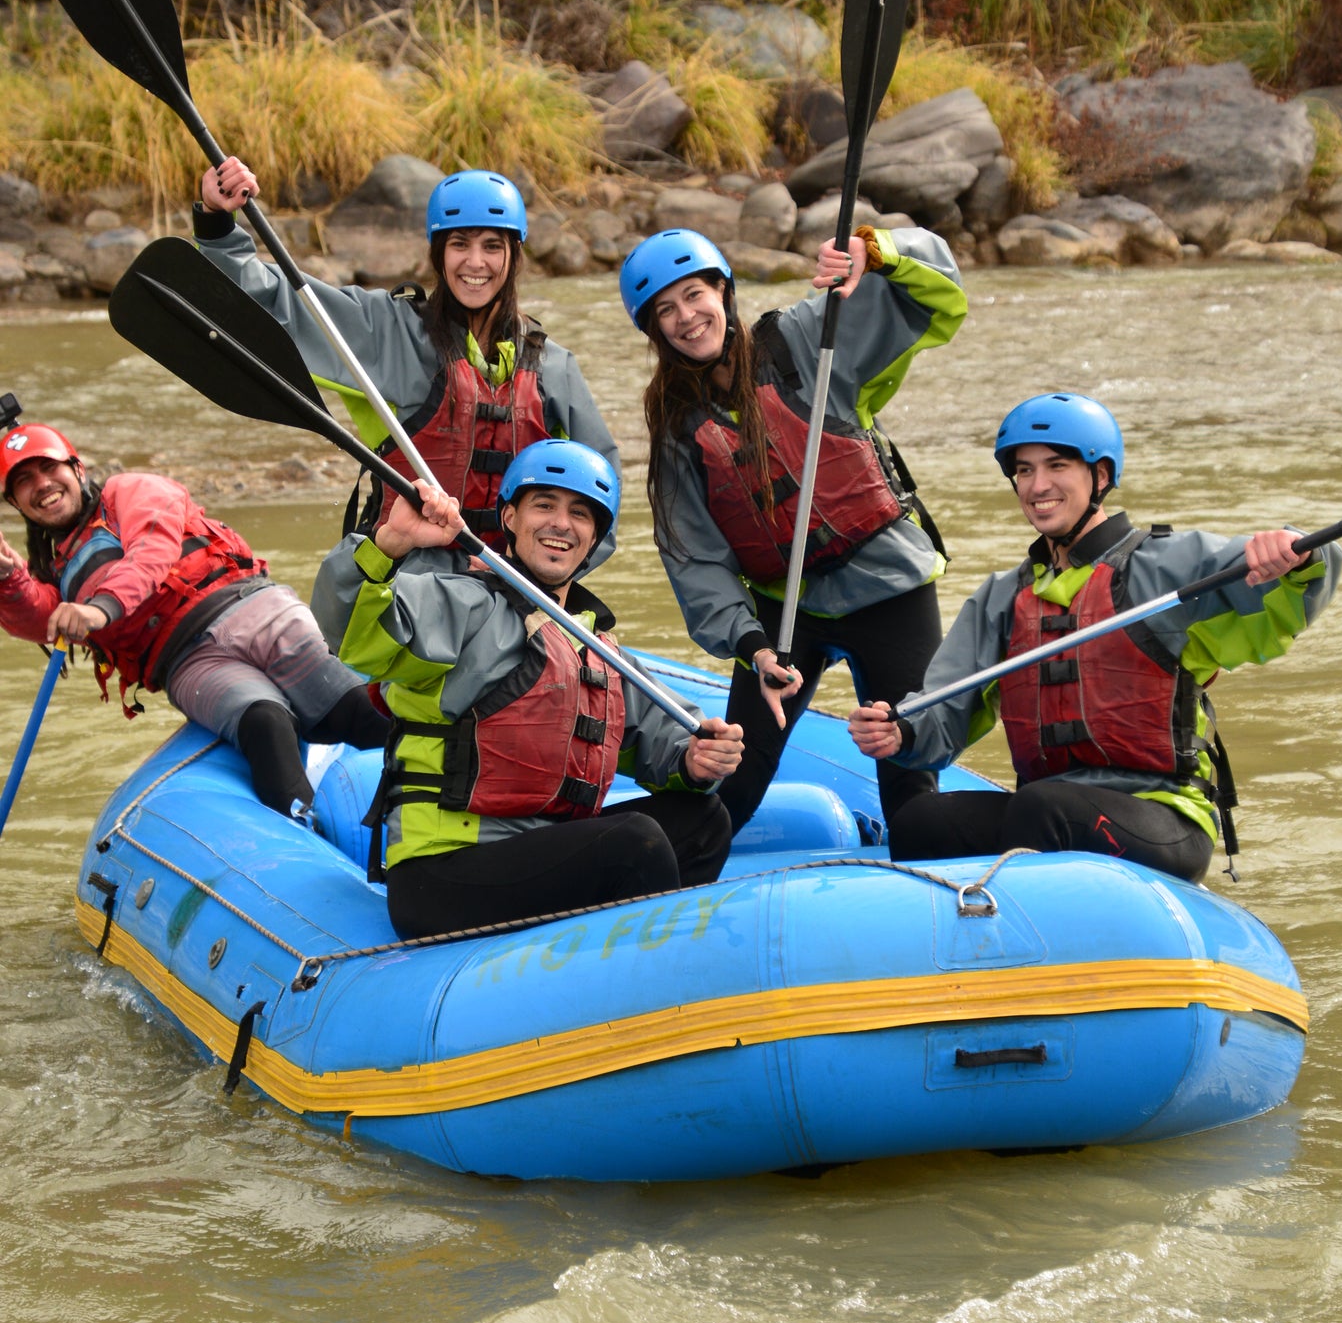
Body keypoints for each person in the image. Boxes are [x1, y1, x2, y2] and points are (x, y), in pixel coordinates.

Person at [847, 391, 1342, 882]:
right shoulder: (1002, 597)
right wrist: (902, 732)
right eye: (1023, 470)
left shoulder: (1166, 566)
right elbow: (944, 710)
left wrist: (1297, 553)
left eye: (1057, 466)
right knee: (921, 822)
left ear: (1100, 476)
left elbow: (1292, 582)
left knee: (1042, 808)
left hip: (1160, 816)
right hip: (1050, 810)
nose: (1037, 485)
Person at [311, 440, 744, 939]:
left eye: (581, 514)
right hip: (443, 873)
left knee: (703, 820)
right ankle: (649, 982)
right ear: (511, 517)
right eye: (545, 505)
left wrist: (696, 761)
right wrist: (391, 541)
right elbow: (345, 632)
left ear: (594, 540)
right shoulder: (465, 605)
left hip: (543, 855)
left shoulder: (593, 645)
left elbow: (665, 746)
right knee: (635, 842)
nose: (562, 524)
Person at [620, 220, 967, 840]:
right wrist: (751, 646)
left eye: (695, 295)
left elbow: (938, 295)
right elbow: (695, 558)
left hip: (888, 588)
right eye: (665, 311)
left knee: (909, 783)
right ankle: (653, 881)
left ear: (723, 293)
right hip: (785, 616)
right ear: (653, 330)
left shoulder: (806, 338)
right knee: (734, 786)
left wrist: (880, 254)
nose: (687, 318)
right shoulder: (677, 426)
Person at [195, 157, 620, 552]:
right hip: (408, 574)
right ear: (438, 253)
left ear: (514, 255)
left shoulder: (553, 366)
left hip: (515, 583)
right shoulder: (390, 330)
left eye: (492, 246)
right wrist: (218, 223)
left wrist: (557, 569)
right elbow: (270, 302)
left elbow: (602, 492)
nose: (476, 262)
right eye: (459, 244)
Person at [0, 420, 387, 816]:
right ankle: (305, 832)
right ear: (15, 503)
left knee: (351, 708)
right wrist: (7, 578)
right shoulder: (56, 571)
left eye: (50, 468)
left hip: (253, 608)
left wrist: (101, 608)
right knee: (264, 723)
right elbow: (37, 618)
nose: (43, 484)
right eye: (25, 481)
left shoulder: (129, 490)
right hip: (187, 662)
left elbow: (151, 550)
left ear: (77, 469)